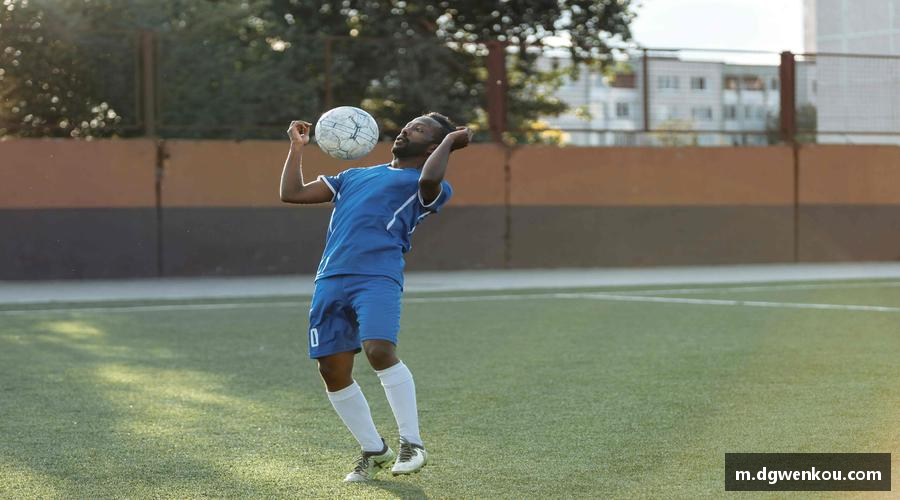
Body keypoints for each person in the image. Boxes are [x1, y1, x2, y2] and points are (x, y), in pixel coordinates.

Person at [279, 112, 471, 482]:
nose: (405, 130)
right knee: (331, 369)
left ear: (432, 147)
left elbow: (430, 178)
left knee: (379, 350)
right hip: (330, 278)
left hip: (377, 276)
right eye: (407, 125)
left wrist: (450, 142)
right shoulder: (353, 176)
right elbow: (292, 193)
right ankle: (373, 450)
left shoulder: (428, 184)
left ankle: (412, 443)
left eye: (418, 129)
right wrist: (296, 148)